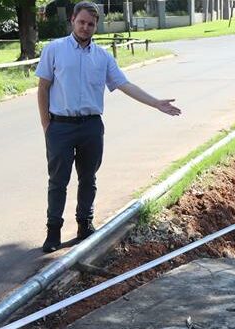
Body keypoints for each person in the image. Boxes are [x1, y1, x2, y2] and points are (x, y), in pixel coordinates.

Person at [36, 1, 181, 253]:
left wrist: (155, 102)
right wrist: (47, 125)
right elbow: (43, 88)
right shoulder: (55, 49)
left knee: (88, 179)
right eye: (81, 22)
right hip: (60, 126)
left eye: (90, 24)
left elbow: (125, 85)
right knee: (58, 181)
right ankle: (53, 232)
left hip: (91, 127)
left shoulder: (103, 57)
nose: (85, 27)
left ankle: (85, 225)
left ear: (96, 26)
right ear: (72, 20)